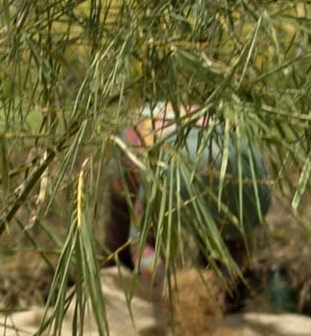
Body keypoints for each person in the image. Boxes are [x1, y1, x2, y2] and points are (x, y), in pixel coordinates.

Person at [103, 104, 272, 313]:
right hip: (139, 144)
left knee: (220, 266)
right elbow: (139, 244)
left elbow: (242, 246)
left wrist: (222, 281)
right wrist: (168, 283)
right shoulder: (157, 173)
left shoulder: (239, 179)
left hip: (194, 150)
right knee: (118, 251)